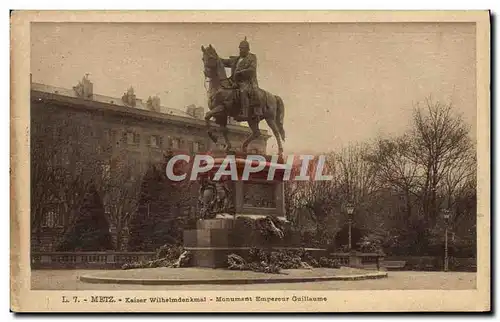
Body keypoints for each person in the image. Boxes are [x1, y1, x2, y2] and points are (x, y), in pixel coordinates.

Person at [221, 37, 262, 118]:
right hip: (234, 81)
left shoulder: (252, 58)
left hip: (247, 81)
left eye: (243, 49)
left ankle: (245, 112)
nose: (241, 50)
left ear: (247, 49)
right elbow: (224, 62)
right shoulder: (236, 59)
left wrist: (240, 72)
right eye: (240, 48)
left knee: (243, 91)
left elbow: (252, 70)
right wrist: (214, 57)